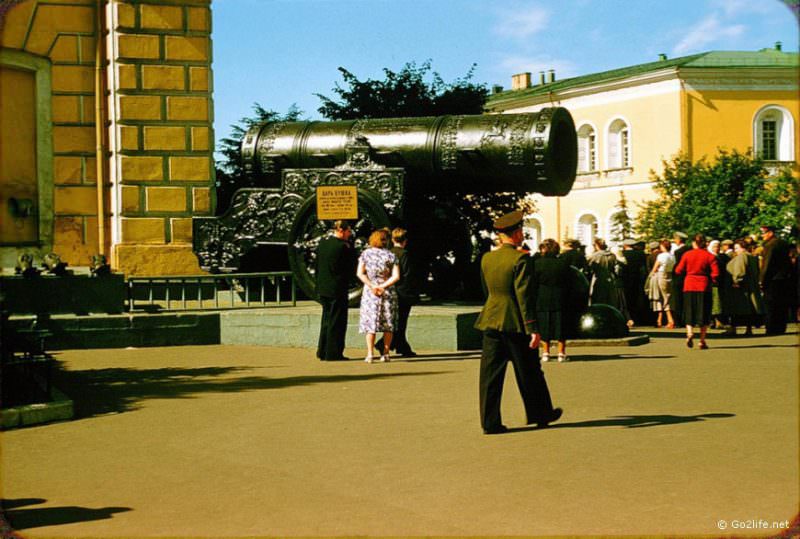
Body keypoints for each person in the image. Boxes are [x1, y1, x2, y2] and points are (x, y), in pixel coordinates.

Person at [474, 210, 562, 435]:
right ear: (515, 233)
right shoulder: (520, 258)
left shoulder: (487, 258)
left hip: (491, 319)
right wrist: (532, 327)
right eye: (521, 230)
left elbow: (487, 290)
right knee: (529, 370)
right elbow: (524, 295)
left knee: (490, 376)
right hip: (514, 322)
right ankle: (540, 413)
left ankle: (490, 422)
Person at [357, 228, 400, 363]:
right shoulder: (391, 256)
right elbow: (396, 276)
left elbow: (360, 273)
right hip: (387, 292)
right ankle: (386, 353)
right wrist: (383, 286)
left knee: (371, 324)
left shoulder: (365, 254)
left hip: (370, 293)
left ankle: (370, 354)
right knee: (388, 323)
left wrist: (372, 286)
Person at [378, 227, 421, 357]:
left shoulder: (388, 253)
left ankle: (398, 345)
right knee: (401, 321)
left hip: (390, 290)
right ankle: (392, 345)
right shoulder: (405, 254)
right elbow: (408, 274)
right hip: (403, 292)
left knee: (394, 320)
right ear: (405, 241)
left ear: (392, 239)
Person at [316, 220, 355, 361]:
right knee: (337, 321)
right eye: (348, 231)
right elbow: (349, 269)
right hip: (337, 287)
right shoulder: (344, 247)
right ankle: (333, 352)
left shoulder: (323, 244)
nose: (349, 234)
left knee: (326, 319)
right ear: (342, 230)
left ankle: (322, 350)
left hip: (323, 286)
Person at [674, 234, 719, 349]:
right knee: (704, 311)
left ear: (694, 243)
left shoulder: (687, 255)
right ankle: (702, 340)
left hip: (689, 284)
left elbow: (678, 270)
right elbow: (716, 273)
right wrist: (712, 279)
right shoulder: (710, 256)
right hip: (704, 285)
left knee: (689, 309)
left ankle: (689, 332)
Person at [532, 239, 572, 362]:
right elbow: (569, 281)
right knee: (561, 325)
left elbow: (533, 282)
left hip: (542, 296)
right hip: (560, 296)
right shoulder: (563, 263)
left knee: (544, 325)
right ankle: (561, 353)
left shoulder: (537, 264)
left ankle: (545, 352)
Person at [586, 238, 633, 326]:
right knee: (611, 300)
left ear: (596, 246)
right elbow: (617, 268)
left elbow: (589, 267)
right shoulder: (612, 255)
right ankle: (611, 320)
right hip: (611, 279)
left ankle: (599, 320)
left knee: (598, 300)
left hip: (598, 278)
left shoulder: (595, 256)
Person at [758, 225, 792, 335]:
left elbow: (767, 264)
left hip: (772, 279)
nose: (762, 235)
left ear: (770, 233)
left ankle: (771, 328)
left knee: (771, 305)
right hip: (784, 278)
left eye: (763, 233)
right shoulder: (783, 243)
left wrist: (761, 280)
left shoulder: (770, 245)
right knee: (781, 305)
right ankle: (781, 327)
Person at [725, 239, 764, 336]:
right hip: (752, 286)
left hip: (742, 288)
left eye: (737, 248)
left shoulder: (742, 257)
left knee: (739, 309)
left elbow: (740, 271)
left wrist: (736, 281)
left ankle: (733, 329)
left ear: (743, 248)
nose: (736, 250)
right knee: (750, 308)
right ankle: (748, 329)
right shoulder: (753, 257)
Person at [647, 239, 676, 328]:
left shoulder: (661, 256)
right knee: (668, 296)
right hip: (670, 275)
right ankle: (665, 319)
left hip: (661, 275)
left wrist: (650, 277)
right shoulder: (672, 256)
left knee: (662, 297)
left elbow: (655, 268)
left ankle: (670, 320)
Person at [620, 239, 649, 325]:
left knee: (627, 299)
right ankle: (638, 318)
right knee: (637, 299)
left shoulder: (623, 254)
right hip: (638, 279)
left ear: (625, 245)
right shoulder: (641, 254)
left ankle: (629, 318)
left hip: (626, 279)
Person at [670, 231, 690, 325]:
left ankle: (678, 319)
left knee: (678, 298)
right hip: (688, 275)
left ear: (678, 240)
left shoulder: (678, 252)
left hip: (679, 276)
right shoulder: (690, 249)